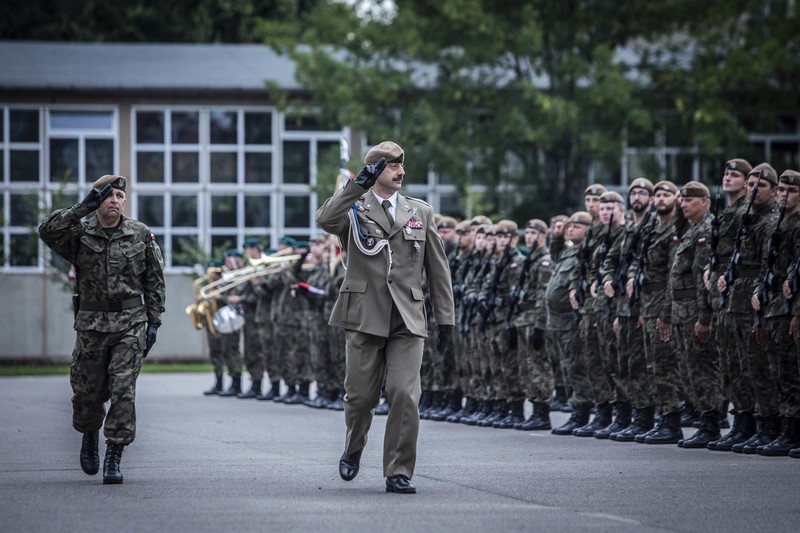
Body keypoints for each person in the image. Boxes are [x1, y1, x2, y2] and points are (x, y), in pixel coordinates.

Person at [316, 141, 455, 494]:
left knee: (404, 394)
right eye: (392, 165)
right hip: (365, 315)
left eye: (402, 165)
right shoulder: (353, 208)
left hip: (407, 318)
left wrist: (446, 318)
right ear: (377, 170)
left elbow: (437, 269)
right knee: (360, 398)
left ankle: (398, 471)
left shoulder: (419, 211)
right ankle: (353, 447)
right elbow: (325, 219)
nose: (401, 172)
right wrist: (357, 185)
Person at [38, 175, 165, 485]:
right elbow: (46, 231)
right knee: (86, 393)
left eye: (120, 195)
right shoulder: (80, 233)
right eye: (108, 195)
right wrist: (82, 208)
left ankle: (115, 454)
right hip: (91, 326)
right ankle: (89, 432)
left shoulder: (139, 233)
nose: (115, 201)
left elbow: (154, 278)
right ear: (98, 198)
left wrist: (154, 320)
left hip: (130, 323)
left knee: (123, 390)